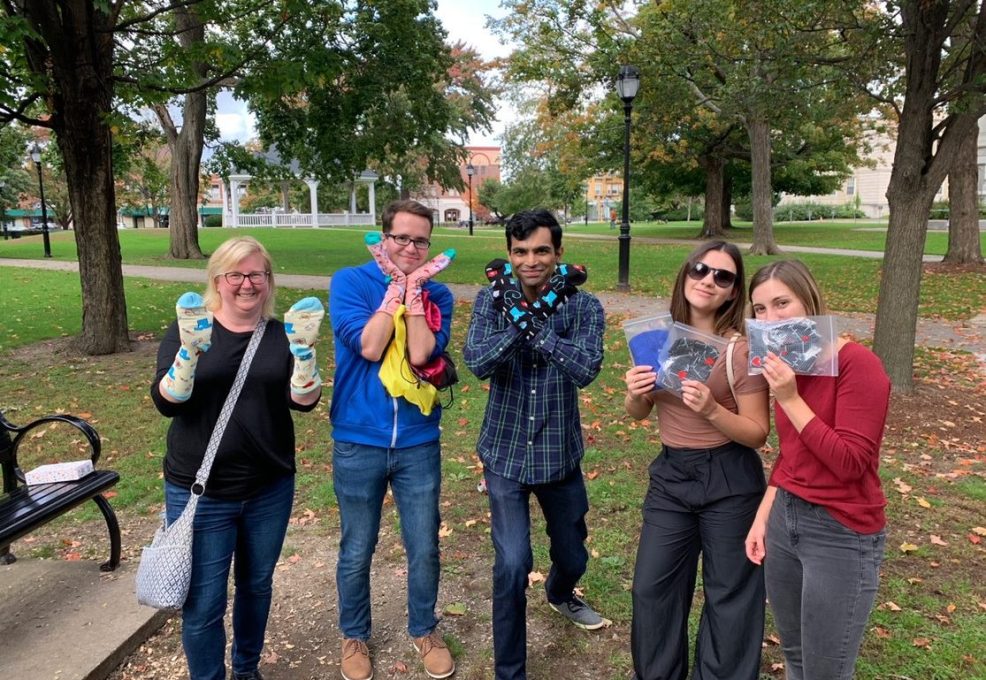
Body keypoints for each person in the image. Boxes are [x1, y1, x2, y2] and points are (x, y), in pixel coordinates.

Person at [151, 236, 324, 680]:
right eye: (236, 275)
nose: (247, 284)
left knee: (255, 587)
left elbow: (303, 402)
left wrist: (306, 360)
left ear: (269, 281)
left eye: (257, 274)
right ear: (218, 280)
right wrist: (188, 353)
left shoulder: (281, 334)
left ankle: (246, 671)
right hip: (202, 490)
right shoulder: (189, 326)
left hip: (269, 486)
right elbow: (167, 402)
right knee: (204, 602)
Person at [463, 209, 606, 680]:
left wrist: (537, 327)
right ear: (509, 255)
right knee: (511, 564)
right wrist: (518, 322)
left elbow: (585, 370)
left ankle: (562, 593)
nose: (531, 260)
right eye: (520, 251)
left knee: (572, 554)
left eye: (541, 250)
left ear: (558, 254)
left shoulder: (584, 308)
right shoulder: (490, 301)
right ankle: (510, 672)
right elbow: (479, 361)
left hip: (558, 454)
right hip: (504, 453)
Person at [623, 240, 770, 680]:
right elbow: (640, 412)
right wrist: (634, 394)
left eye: (722, 276)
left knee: (730, 595)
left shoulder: (739, 351)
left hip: (730, 477)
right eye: (700, 269)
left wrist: (711, 410)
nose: (708, 280)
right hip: (672, 475)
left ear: (732, 291)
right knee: (653, 589)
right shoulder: (656, 336)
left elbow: (757, 433)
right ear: (685, 275)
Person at [328, 199, 456, 680]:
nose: (409, 247)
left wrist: (416, 293)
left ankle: (424, 628)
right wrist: (393, 293)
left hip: (418, 441)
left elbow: (422, 352)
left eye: (419, 240)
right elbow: (369, 344)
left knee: (423, 544)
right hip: (359, 437)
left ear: (428, 247)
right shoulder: (350, 282)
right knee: (357, 545)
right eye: (400, 237)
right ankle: (354, 635)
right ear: (383, 238)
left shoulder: (439, 294)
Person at [745, 260, 889, 680]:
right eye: (760, 309)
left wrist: (789, 398)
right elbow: (793, 454)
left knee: (826, 669)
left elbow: (850, 463)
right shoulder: (789, 364)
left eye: (782, 303)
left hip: (841, 530)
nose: (770, 319)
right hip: (786, 519)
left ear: (809, 299)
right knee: (796, 656)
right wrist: (762, 516)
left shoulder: (859, 365)